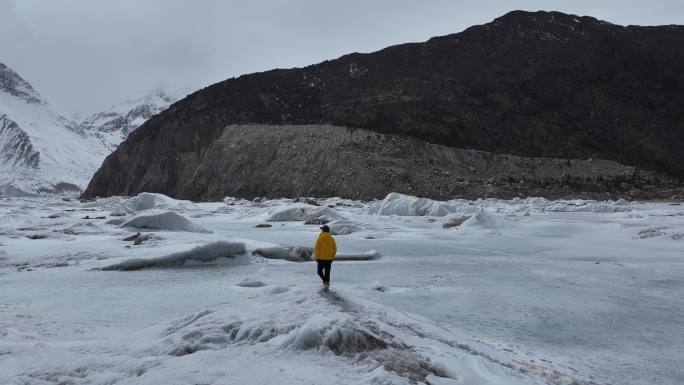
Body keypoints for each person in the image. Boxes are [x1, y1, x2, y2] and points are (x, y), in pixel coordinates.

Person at [314, 224, 336, 291]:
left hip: (321, 258)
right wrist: (332, 257)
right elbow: (334, 249)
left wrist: (317, 257)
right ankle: (326, 285)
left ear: (323, 230)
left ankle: (325, 282)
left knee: (319, 271)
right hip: (329, 259)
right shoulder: (332, 239)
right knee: (327, 272)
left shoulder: (320, 238)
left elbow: (316, 248)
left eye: (322, 229)